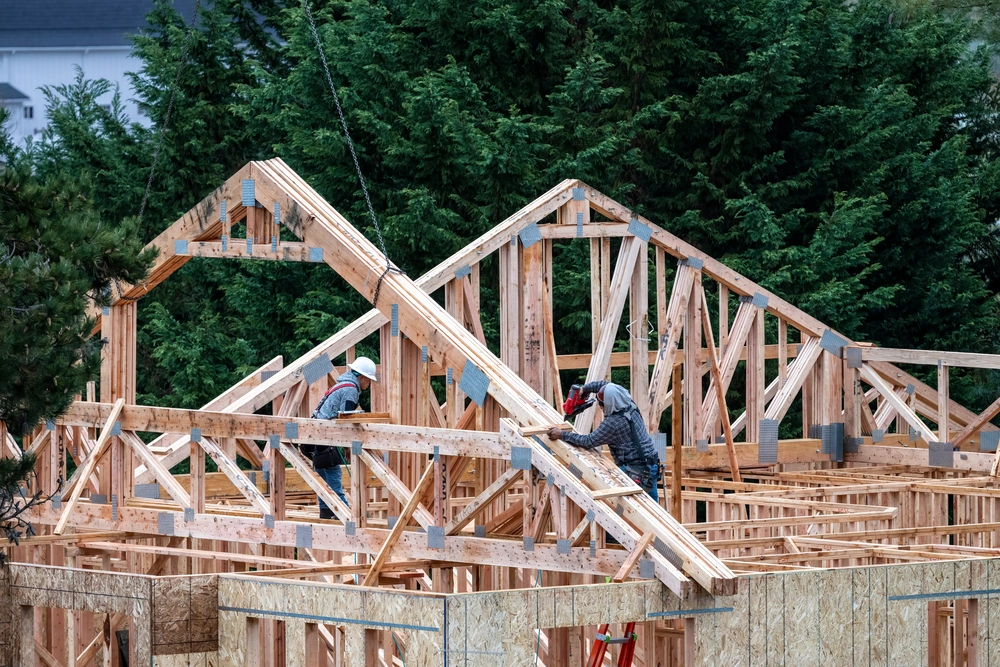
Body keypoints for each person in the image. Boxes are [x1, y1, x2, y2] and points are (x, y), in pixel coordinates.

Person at [547, 381, 661, 501]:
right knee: (654, 509)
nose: (601, 408)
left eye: (602, 406)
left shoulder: (614, 423)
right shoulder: (628, 403)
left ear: (609, 404)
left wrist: (562, 434)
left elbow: (588, 441)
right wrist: (584, 389)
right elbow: (605, 386)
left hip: (635, 470)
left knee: (615, 504)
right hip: (651, 464)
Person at [307, 356, 378, 519]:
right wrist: (348, 448)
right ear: (361, 377)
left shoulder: (341, 385)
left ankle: (326, 512)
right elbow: (347, 420)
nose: (368, 385)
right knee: (333, 475)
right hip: (324, 437)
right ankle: (347, 518)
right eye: (368, 381)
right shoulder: (351, 390)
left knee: (325, 476)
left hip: (315, 437)